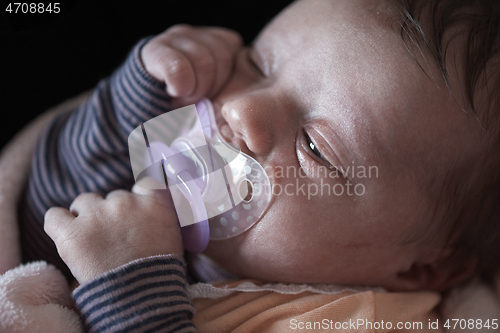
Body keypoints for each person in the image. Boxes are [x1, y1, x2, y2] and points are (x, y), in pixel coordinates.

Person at [12, 0, 500, 331]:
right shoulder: (197, 220)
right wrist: (133, 107)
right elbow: (36, 238)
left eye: (314, 147)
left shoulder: (358, 320)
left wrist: (129, 290)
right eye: (258, 63)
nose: (242, 110)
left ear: (422, 270)